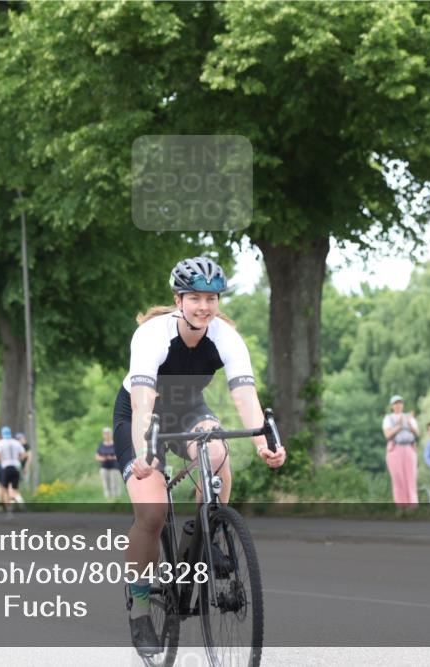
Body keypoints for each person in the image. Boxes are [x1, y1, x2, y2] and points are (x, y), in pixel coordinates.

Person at [114, 257, 286, 656]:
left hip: (190, 408)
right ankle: (140, 609)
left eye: (211, 298)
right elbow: (142, 405)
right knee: (152, 514)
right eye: (194, 298)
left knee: (218, 450)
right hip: (141, 416)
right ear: (178, 299)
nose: (204, 306)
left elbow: (244, 395)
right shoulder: (152, 335)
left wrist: (263, 442)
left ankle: (207, 530)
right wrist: (144, 453)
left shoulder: (224, 336)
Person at [383, 395, 419, 507]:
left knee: (411, 478)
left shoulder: (409, 418)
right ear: (392, 406)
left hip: (409, 448)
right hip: (395, 449)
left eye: (400, 403)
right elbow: (387, 435)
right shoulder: (388, 418)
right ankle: (401, 507)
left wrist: (408, 423)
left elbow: (418, 434)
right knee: (398, 479)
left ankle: (413, 506)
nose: (398, 405)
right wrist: (399, 425)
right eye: (396, 403)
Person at [0, 429, 27, 507]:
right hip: (16, 467)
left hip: (6, 467)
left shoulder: (0, 443)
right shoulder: (16, 442)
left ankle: (9, 509)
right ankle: (22, 504)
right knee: (14, 490)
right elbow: (24, 454)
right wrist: (18, 460)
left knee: (5, 490)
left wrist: (1, 460)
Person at [96, 427, 121, 499]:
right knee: (106, 484)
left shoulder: (115, 444)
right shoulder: (101, 445)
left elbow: (120, 455)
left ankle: (116, 498)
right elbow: (97, 456)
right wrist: (104, 458)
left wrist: (112, 457)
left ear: (111, 434)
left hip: (114, 467)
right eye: (105, 434)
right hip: (104, 467)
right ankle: (108, 499)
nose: (106, 435)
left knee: (114, 483)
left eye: (108, 433)